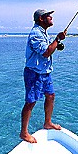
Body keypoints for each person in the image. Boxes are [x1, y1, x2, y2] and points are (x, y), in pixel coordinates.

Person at [20, 9, 66, 143]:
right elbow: (46, 52)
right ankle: (24, 133)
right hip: (34, 73)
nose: (51, 17)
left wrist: (57, 42)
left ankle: (47, 122)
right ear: (41, 19)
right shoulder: (35, 33)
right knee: (31, 102)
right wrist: (57, 39)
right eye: (48, 16)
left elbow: (50, 48)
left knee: (50, 96)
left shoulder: (43, 32)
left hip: (45, 72)